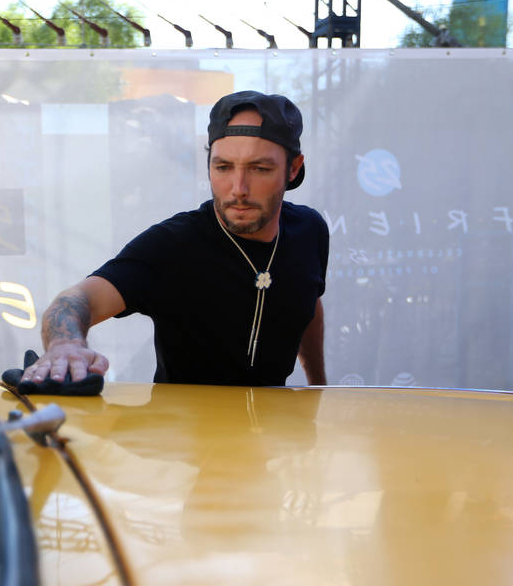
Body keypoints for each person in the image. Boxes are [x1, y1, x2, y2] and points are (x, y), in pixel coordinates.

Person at [21, 90, 328, 387]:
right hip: (183, 434)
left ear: (293, 168)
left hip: (278, 432)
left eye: (259, 168)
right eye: (223, 167)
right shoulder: (174, 245)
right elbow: (76, 300)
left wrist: (319, 388)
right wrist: (65, 344)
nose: (238, 188)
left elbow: (308, 303)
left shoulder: (309, 230)